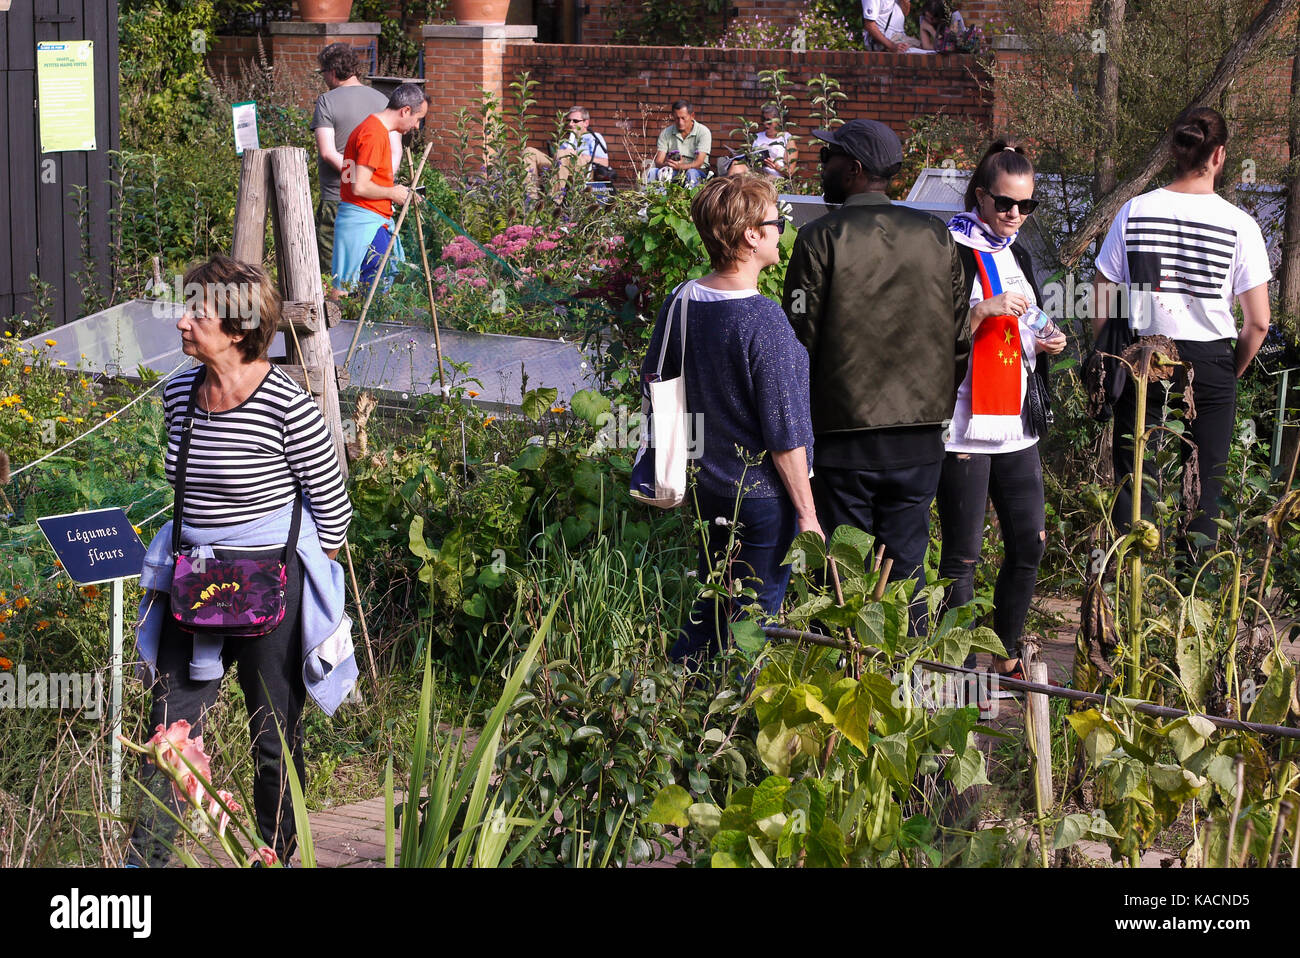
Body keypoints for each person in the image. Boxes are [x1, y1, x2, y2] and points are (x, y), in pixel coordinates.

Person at [128, 255, 355, 866]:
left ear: (235, 327)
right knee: (167, 737)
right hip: (194, 582)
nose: (180, 321)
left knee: (274, 738)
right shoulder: (181, 394)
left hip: (269, 588)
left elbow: (332, 511)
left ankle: (279, 856)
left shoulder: (286, 402)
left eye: (195, 312)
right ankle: (143, 866)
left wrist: (282, 571)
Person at [782, 119, 971, 617]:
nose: (822, 166)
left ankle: (849, 679)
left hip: (845, 438)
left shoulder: (818, 238)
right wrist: (935, 408)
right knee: (907, 573)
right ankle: (910, 684)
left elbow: (798, 335)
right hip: (920, 436)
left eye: (830, 158)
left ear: (855, 169)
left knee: (844, 577)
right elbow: (958, 336)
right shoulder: (937, 236)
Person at [642, 174, 820, 664]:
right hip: (761, 498)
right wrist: (807, 514)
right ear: (750, 236)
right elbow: (784, 432)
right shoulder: (763, 319)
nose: (782, 229)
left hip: (704, 487)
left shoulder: (682, 300)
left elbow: (654, 378)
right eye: (775, 221)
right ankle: (728, 725)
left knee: (710, 609)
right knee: (751, 626)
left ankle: (673, 708)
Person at [1095, 106, 1271, 565]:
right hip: (1212, 362)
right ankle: (1189, 597)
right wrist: (1227, 370)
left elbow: (1100, 299)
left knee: (1135, 478)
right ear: (1219, 155)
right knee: (1204, 485)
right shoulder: (1240, 225)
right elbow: (1258, 323)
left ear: (1176, 150)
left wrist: (1113, 356)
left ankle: (1124, 585)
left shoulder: (1135, 211)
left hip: (1143, 356)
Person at [938, 141, 1066, 680]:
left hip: (1015, 424)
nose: (1015, 214)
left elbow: (1027, 324)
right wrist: (981, 310)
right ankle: (958, 672)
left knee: (1030, 542)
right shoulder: (949, 246)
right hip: (964, 425)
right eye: (1004, 203)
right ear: (980, 195)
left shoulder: (1019, 253)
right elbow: (929, 332)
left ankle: (1007, 655)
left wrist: (1047, 341)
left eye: (1026, 205)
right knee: (962, 559)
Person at [331, 82, 427, 293]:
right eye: (418, 119)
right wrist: (393, 193)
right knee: (367, 294)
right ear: (406, 111)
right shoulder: (374, 134)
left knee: (346, 288)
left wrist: (397, 190)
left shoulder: (367, 128)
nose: (417, 126)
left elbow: (359, 180)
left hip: (360, 219)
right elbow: (360, 187)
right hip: (365, 223)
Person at [310, 43, 395, 275]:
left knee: (336, 274)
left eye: (323, 73)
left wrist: (356, 178)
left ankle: (339, 311)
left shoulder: (326, 101)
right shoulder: (382, 99)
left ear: (333, 71)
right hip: (376, 203)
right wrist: (375, 182)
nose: (324, 79)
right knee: (373, 271)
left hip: (338, 198)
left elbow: (328, 152)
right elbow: (394, 151)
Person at [523, 105, 612, 198]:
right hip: (561, 165)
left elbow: (605, 162)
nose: (570, 124)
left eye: (575, 121)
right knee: (529, 151)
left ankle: (554, 199)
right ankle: (531, 198)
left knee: (563, 153)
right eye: (568, 120)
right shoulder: (565, 140)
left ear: (586, 123)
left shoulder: (593, 137)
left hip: (582, 170)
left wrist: (583, 156)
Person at [652, 100, 712, 187]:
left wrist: (681, 166)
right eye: (677, 118)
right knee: (654, 172)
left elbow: (699, 163)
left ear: (692, 116)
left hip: (698, 171)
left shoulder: (703, 132)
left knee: (691, 173)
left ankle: (692, 200)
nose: (680, 122)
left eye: (683, 118)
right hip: (674, 170)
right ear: (673, 116)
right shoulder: (666, 133)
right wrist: (668, 164)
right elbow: (658, 162)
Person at [752, 105, 796, 179]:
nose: (765, 124)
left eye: (769, 122)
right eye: (764, 120)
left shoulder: (787, 139)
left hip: (777, 180)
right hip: (758, 178)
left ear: (778, 122)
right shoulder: (757, 137)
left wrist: (775, 166)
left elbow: (790, 172)